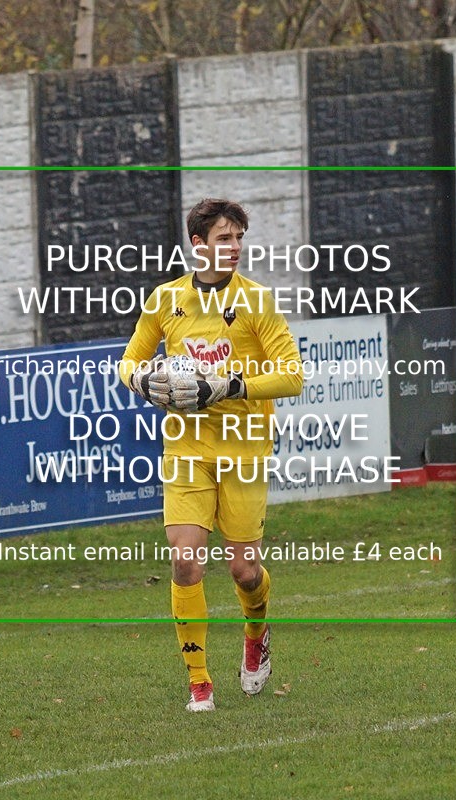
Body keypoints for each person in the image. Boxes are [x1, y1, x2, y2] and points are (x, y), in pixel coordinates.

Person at [119, 198, 303, 711]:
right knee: (185, 563)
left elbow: (292, 376)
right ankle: (199, 680)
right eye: (225, 239)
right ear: (198, 245)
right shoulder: (165, 300)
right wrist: (144, 381)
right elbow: (129, 362)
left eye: (239, 238)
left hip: (243, 451)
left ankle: (256, 631)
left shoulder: (258, 302)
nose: (236, 248)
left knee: (245, 572)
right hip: (187, 448)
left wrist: (230, 384)